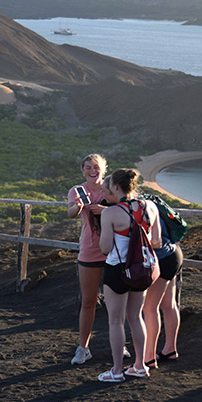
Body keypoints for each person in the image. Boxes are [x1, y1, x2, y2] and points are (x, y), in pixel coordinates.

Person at [96, 168, 161, 382]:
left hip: (117, 269)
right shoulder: (150, 207)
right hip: (141, 269)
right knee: (136, 317)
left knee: (116, 321)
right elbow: (156, 241)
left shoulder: (110, 213)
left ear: (115, 187)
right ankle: (140, 366)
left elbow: (105, 248)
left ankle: (116, 371)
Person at [67, 154, 110, 365]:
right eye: (88, 167)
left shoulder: (112, 188)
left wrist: (105, 210)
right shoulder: (77, 191)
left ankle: (119, 344)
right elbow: (71, 213)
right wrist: (78, 207)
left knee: (117, 302)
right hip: (90, 251)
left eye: (97, 167)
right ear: (82, 170)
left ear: (104, 169)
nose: (93, 171)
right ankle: (83, 348)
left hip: (114, 252)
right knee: (88, 301)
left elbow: (126, 210)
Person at [141, 202, 184, 369]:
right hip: (173, 253)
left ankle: (149, 358)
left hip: (161, 257)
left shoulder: (135, 207)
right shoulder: (150, 202)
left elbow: (155, 242)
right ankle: (170, 350)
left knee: (149, 309)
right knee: (169, 304)